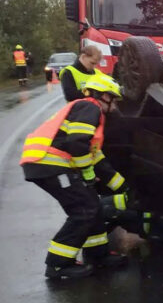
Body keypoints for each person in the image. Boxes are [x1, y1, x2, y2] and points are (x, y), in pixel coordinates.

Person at [20, 74, 129, 279]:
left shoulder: (89, 112)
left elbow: (96, 157)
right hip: (49, 164)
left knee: (92, 207)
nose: (115, 107)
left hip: (51, 165)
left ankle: (98, 255)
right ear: (104, 96)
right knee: (83, 210)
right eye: (114, 100)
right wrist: (87, 174)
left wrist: (122, 185)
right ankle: (58, 264)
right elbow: (77, 143)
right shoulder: (90, 107)